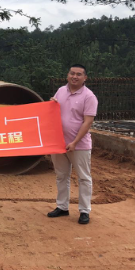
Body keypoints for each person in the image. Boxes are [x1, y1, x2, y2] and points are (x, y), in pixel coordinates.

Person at [48, 64, 98, 225]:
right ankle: (62, 206)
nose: (74, 76)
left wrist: (75, 142)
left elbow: (87, 122)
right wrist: (51, 103)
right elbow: (54, 111)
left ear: (85, 78)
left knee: (84, 178)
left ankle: (84, 211)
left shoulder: (89, 97)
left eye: (78, 74)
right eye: (72, 73)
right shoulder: (61, 91)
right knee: (61, 176)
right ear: (67, 75)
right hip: (59, 143)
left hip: (79, 145)